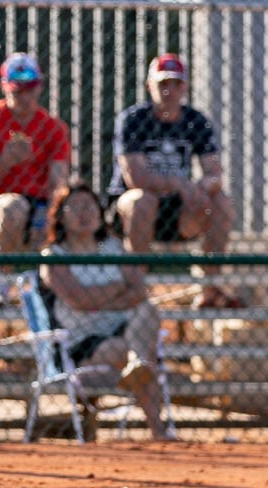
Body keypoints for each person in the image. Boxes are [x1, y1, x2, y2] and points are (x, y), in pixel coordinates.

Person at [107, 53, 240, 309]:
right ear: (150, 86)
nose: (169, 90)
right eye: (162, 84)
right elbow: (136, 178)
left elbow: (215, 173)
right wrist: (181, 184)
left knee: (220, 203)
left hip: (177, 211)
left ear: (185, 87)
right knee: (141, 202)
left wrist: (203, 187)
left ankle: (209, 289)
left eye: (176, 84)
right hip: (131, 210)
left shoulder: (195, 121)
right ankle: (136, 289)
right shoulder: (133, 120)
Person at [40, 178, 169, 440]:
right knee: (136, 354)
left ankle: (139, 365)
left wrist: (98, 299)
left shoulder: (113, 247)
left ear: (100, 213)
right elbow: (78, 300)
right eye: (74, 207)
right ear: (60, 217)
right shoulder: (53, 255)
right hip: (81, 341)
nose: (84, 213)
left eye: (89, 206)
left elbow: (139, 291)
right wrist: (118, 288)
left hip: (124, 329)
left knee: (148, 311)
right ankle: (159, 430)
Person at [0, 52, 70, 309]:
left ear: (40, 87)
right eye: (17, 90)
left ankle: (46, 288)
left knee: (59, 215)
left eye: (30, 88)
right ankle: (1, 283)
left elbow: (59, 181)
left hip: (39, 204)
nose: (24, 96)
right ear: (4, 87)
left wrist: (50, 214)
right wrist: (5, 161)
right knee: (12, 209)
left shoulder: (52, 127)